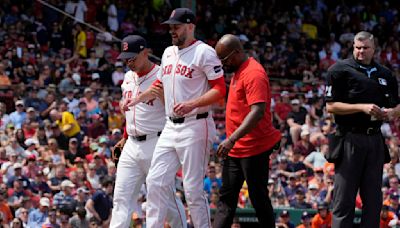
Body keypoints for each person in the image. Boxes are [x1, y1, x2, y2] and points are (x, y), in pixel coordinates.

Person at [123, 8, 226, 228]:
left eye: (176, 26)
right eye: (170, 27)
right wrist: (137, 99)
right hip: (170, 126)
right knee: (155, 181)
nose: (172, 31)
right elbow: (160, 84)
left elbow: (220, 90)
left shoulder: (204, 52)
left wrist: (192, 103)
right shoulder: (169, 51)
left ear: (191, 26)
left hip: (196, 124)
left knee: (192, 189)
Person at [109, 35, 186, 228]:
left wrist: (161, 94)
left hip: (156, 143)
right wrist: (125, 137)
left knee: (165, 200)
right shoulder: (128, 77)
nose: (129, 63)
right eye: (126, 59)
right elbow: (132, 112)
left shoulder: (162, 74)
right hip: (131, 144)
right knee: (121, 198)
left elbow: (175, 108)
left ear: (146, 52)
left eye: (132, 58)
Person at [325, 31, 400, 228]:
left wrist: (392, 113)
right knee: (344, 199)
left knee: (374, 199)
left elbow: (397, 105)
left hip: (374, 139)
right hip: (350, 137)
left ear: (374, 49)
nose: (360, 51)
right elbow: (330, 106)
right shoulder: (339, 70)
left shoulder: (385, 74)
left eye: (365, 48)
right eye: (357, 47)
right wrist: (361, 107)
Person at [213, 34, 281, 227]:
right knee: (226, 199)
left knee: (258, 198)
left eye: (224, 59)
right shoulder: (238, 70)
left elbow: (257, 111)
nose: (222, 64)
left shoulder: (253, 73)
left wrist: (231, 139)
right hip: (236, 149)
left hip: (254, 147)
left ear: (237, 53)